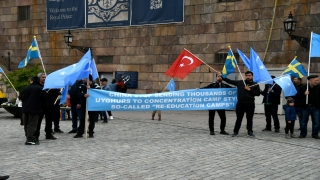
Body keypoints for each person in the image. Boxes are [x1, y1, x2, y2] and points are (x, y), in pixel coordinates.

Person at [220, 71, 261, 137]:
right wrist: (222, 76)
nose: (248, 77)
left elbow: (258, 93)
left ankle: (250, 131)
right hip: (240, 103)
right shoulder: (240, 83)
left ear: (252, 76)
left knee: (249, 118)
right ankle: (235, 132)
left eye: (249, 75)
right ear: (245, 76)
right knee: (239, 118)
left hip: (250, 104)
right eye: (247, 75)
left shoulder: (255, 84)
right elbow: (230, 81)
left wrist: (250, 90)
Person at [19, 76, 44, 145]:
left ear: (32, 81)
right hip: (35, 109)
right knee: (32, 124)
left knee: (26, 124)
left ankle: (28, 136)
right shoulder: (40, 88)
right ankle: (29, 138)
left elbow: (21, 97)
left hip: (25, 108)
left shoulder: (26, 88)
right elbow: (44, 99)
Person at [34, 73, 57, 140]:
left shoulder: (49, 86)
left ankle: (49, 134)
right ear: (39, 78)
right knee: (38, 122)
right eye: (42, 77)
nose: (44, 79)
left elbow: (54, 93)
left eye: (45, 77)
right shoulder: (37, 86)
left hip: (49, 106)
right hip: (40, 106)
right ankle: (36, 135)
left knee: (49, 121)